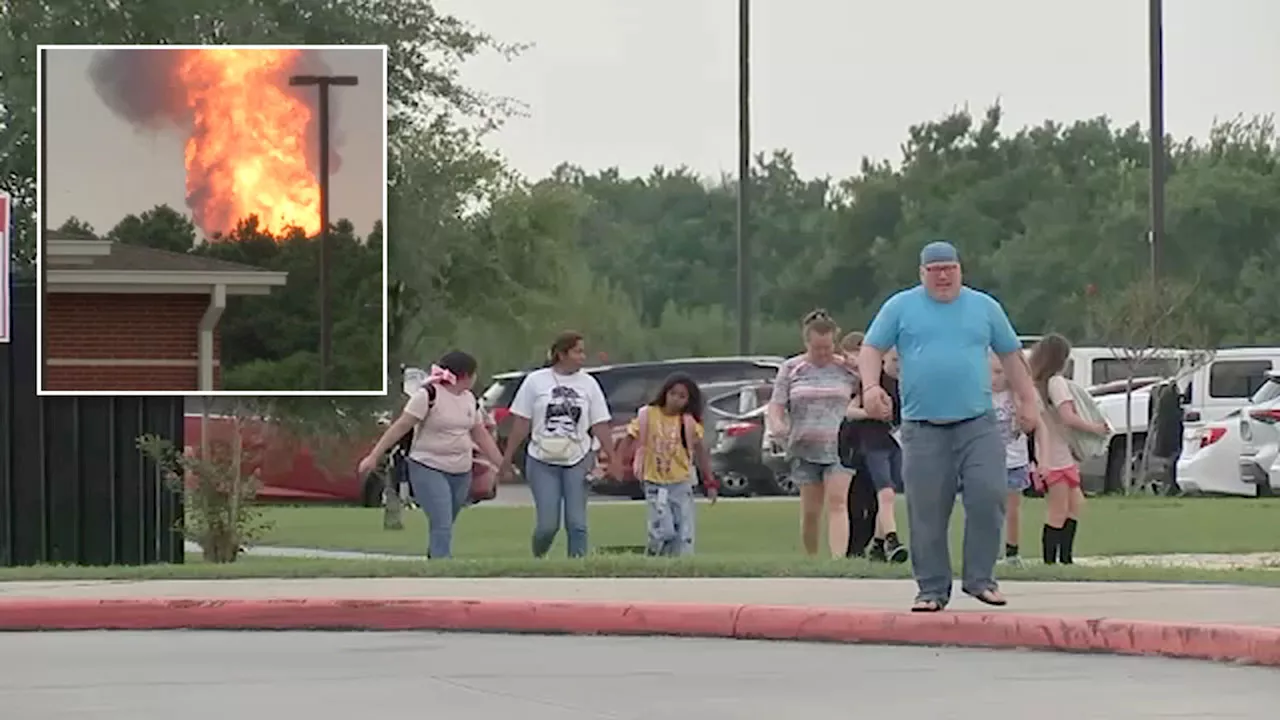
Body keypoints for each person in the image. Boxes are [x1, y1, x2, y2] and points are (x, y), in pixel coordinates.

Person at [859, 240, 1038, 612]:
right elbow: (871, 347)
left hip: (978, 422)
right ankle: (931, 589)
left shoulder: (984, 307)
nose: (943, 276)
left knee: (989, 495)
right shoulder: (901, 307)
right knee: (927, 508)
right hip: (923, 425)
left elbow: (1011, 354)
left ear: (960, 270)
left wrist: (1027, 400)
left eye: (949, 268)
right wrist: (872, 387)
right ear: (922, 274)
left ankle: (981, 580)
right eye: (934, 270)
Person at [357, 351, 503, 559]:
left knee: (446, 520)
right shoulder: (428, 395)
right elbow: (400, 427)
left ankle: (435, 556)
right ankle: (442, 563)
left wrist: (501, 462)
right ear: (466, 375)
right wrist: (374, 456)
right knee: (442, 518)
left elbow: (480, 434)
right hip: (428, 465)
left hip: (461, 470)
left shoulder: (469, 399)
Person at [500, 331, 618, 558]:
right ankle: (538, 557)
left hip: (578, 457)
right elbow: (521, 423)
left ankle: (578, 567)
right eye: (577, 352)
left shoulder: (589, 384)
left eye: (583, 351)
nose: (582, 357)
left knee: (577, 523)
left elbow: (600, 423)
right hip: (542, 458)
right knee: (547, 525)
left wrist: (612, 458)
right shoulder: (535, 381)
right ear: (561, 354)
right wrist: (507, 459)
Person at [768, 309, 859, 558]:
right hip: (804, 445)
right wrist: (777, 424)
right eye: (817, 348)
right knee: (811, 510)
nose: (822, 353)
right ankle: (812, 559)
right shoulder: (792, 368)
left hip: (840, 445)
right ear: (806, 342)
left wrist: (856, 363)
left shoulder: (846, 369)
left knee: (838, 502)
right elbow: (776, 404)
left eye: (827, 347)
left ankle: (838, 560)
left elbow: (873, 384)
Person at [1027, 333, 1110, 565]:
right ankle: (1054, 560)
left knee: (1075, 504)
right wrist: (1095, 428)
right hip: (1057, 456)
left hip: (1050, 451)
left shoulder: (1036, 386)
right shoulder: (1057, 383)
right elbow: (1067, 417)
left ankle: (1063, 557)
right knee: (1059, 509)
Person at [621, 373, 719, 556]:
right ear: (665, 393)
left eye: (682, 396)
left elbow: (701, 452)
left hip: (680, 483)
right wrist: (618, 463)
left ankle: (675, 566)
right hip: (654, 483)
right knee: (663, 528)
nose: (676, 399)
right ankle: (654, 552)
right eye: (673, 393)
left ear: (689, 401)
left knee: (683, 532)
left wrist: (709, 481)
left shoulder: (688, 423)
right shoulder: (648, 414)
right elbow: (628, 438)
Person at [846, 347, 907, 563]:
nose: (899, 365)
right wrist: (869, 412)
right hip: (873, 443)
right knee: (886, 491)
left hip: (896, 443)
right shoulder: (874, 382)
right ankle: (892, 539)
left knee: (891, 492)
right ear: (883, 359)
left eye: (902, 360)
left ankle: (879, 544)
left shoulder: (907, 382)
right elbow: (849, 410)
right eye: (894, 360)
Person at [838, 332, 879, 558]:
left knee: (873, 502)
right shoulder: (847, 378)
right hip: (853, 444)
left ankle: (866, 543)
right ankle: (853, 548)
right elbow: (849, 410)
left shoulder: (872, 378)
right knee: (854, 500)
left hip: (873, 444)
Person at [990, 352, 1032, 567]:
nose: (993, 378)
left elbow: (1032, 425)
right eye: (988, 372)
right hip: (987, 461)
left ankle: (1012, 552)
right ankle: (986, 551)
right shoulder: (980, 397)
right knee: (987, 508)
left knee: (1012, 509)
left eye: (998, 372)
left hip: (1014, 460)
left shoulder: (1016, 397)